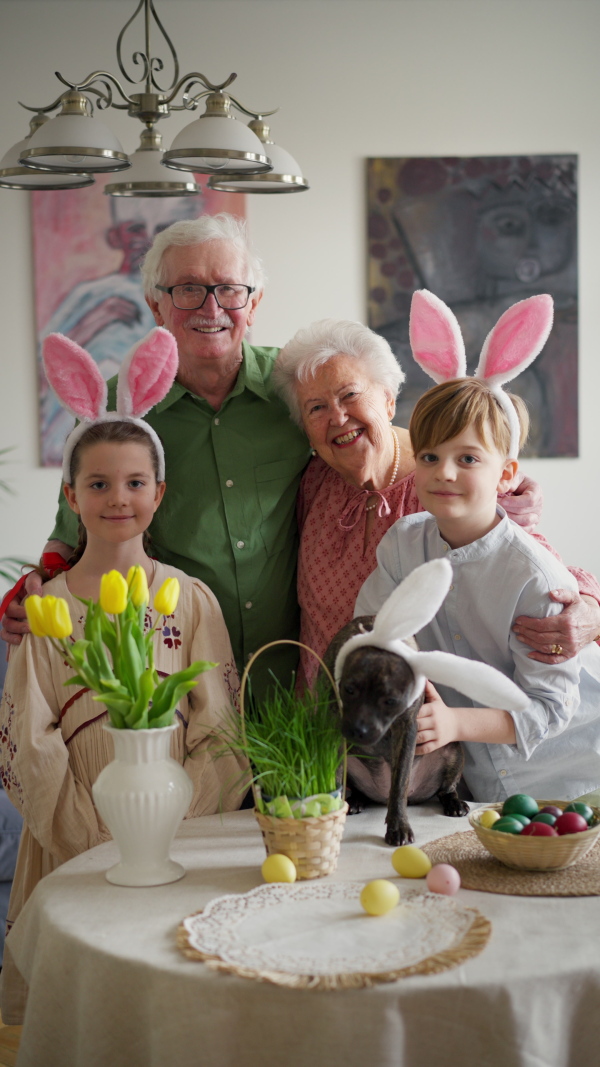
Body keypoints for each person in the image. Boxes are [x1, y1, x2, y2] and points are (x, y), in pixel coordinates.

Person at [0, 330, 246, 1020]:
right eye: (98, 483)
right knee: (88, 1007)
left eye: (135, 482)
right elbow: (31, 737)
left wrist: (172, 823)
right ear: (72, 497)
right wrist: (90, 834)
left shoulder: (189, 598)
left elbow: (221, 726)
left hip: (180, 838)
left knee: (173, 997)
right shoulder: (45, 608)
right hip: (70, 838)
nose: (118, 498)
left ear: (159, 492)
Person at [2, 214, 310, 700]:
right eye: (188, 289)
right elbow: (72, 535)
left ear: (254, 304)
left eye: (229, 289)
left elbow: (375, 451)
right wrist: (31, 590)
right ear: (155, 305)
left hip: (295, 682)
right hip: (170, 684)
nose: (212, 307)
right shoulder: (112, 413)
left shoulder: (299, 389)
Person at [272, 317, 600, 690]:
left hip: (425, 723)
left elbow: (523, 554)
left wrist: (590, 606)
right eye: (316, 408)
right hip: (318, 720)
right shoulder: (314, 480)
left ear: (388, 398)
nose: (338, 416)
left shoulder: (442, 480)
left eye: (349, 394)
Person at [355, 375, 600, 801]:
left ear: (505, 475)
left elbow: (549, 708)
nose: (444, 472)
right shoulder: (402, 544)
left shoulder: (534, 577)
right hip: (483, 787)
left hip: (576, 772)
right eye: (430, 456)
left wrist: (455, 724)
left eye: (467, 459)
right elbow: (374, 636)